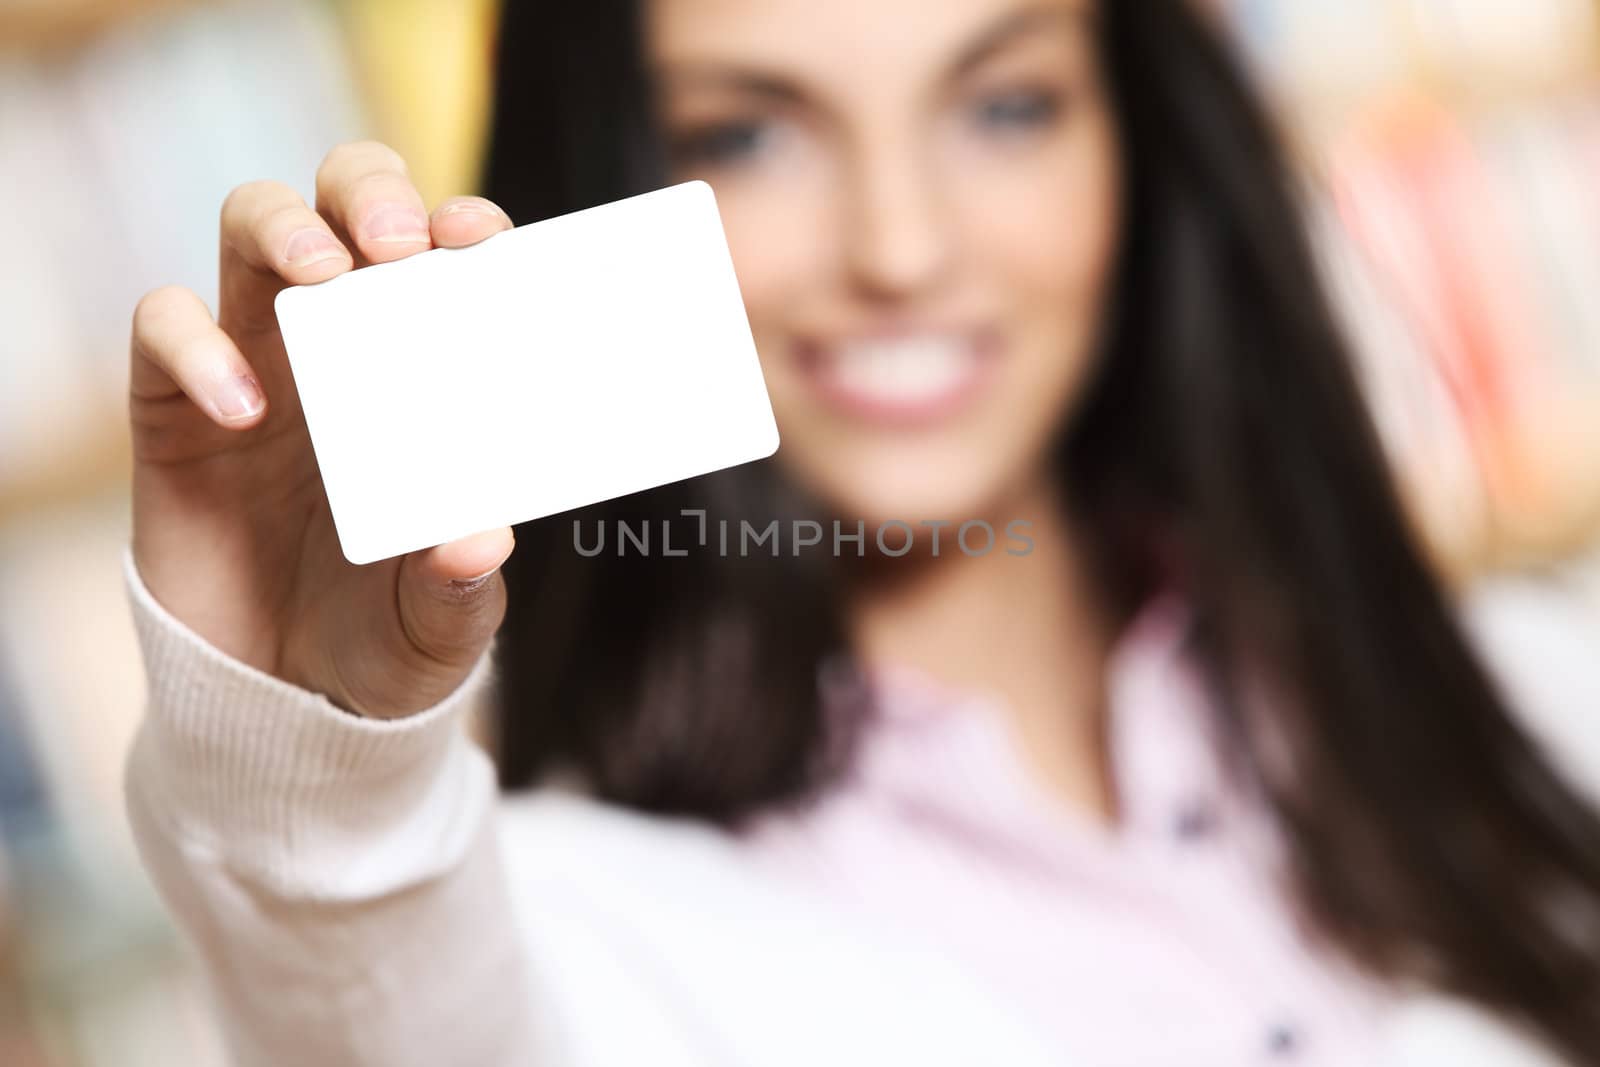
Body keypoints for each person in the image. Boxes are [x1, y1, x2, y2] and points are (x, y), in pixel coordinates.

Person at [122, 0, 1600, 1063]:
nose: (902, 246)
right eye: (752, 131)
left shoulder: (1539, 698)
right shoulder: (558, 931)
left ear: (1136, 148)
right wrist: (303, 756)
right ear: (606, 185)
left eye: (1005, 103)